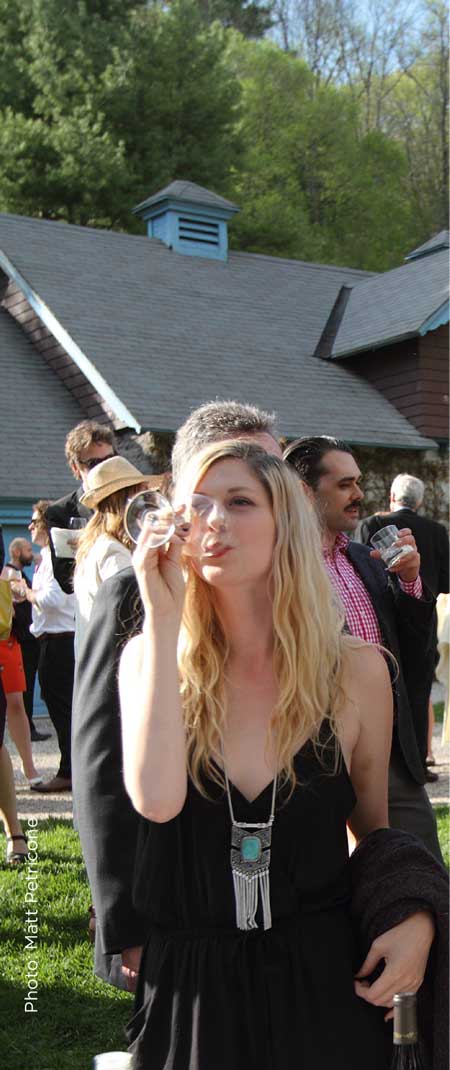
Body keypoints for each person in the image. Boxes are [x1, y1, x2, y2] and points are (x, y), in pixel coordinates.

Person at [119, 440, 435, 1070]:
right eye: (196, 505)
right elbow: (155, 801)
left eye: (239, 502)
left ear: (285, 522)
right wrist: (161, 618)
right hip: (193, 991)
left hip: (324, 982)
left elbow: (373, 834)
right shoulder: (149, 659)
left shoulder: (355, 671)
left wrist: (415, 918)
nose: (213, 521)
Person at [72, 400, 283, 990]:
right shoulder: (132, 594)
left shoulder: (296, 599)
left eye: (273, 471)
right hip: (174, 912)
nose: (267, 484)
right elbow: (99, 761)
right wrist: (122, 917)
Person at [283, 436, 442, 862]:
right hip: (314, 754)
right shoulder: (279, 566)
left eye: (358, 481)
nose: (358, 494)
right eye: (344, 484)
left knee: (421, 869)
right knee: (327, 879)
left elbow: (414, 651)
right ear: (304, 491)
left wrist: (409, 581)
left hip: (389, 751)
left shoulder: (366, 559)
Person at [361, 473, 450, 775]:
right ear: (420, 501)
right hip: (423, 619)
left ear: (391, 497)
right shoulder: (437, 530)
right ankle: (419, 763)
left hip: (380, 618)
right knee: (420, 689)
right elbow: (446, 582)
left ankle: (383, 762)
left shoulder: (372, 524)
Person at [24, 501, 75, 793]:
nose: (30, 526)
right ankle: (70, 769)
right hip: (53, 640)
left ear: (47, 524)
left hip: (59, 642)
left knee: (63, 710)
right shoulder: (48, 557)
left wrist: (27, 593)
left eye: (34, 521)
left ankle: (69, 771)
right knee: (60, 708)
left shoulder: (56, 556)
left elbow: (53, 600)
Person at [73, 456, 148, 654]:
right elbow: (132, 612)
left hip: (95, 658)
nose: (145, 504)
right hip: (113, 661)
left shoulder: (96, 544)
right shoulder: (111, 550)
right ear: (126, 500)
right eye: (141, 495)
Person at [45, 420, 117, 594]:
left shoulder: (132, 499)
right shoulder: (60, 512)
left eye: (110, 459)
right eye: (94, 463)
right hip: (96, 605)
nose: (105, 468)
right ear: (76, 468)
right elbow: (65, 580)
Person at [7, 538, 49, 742]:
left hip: (29, 638)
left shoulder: (19, 574)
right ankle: (27, 727)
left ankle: (28, 725)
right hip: (23, 640)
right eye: (27, 550)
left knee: (29, 684)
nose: (30, 554)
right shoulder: (10, 574)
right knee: (26, 686)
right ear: (16, 552)